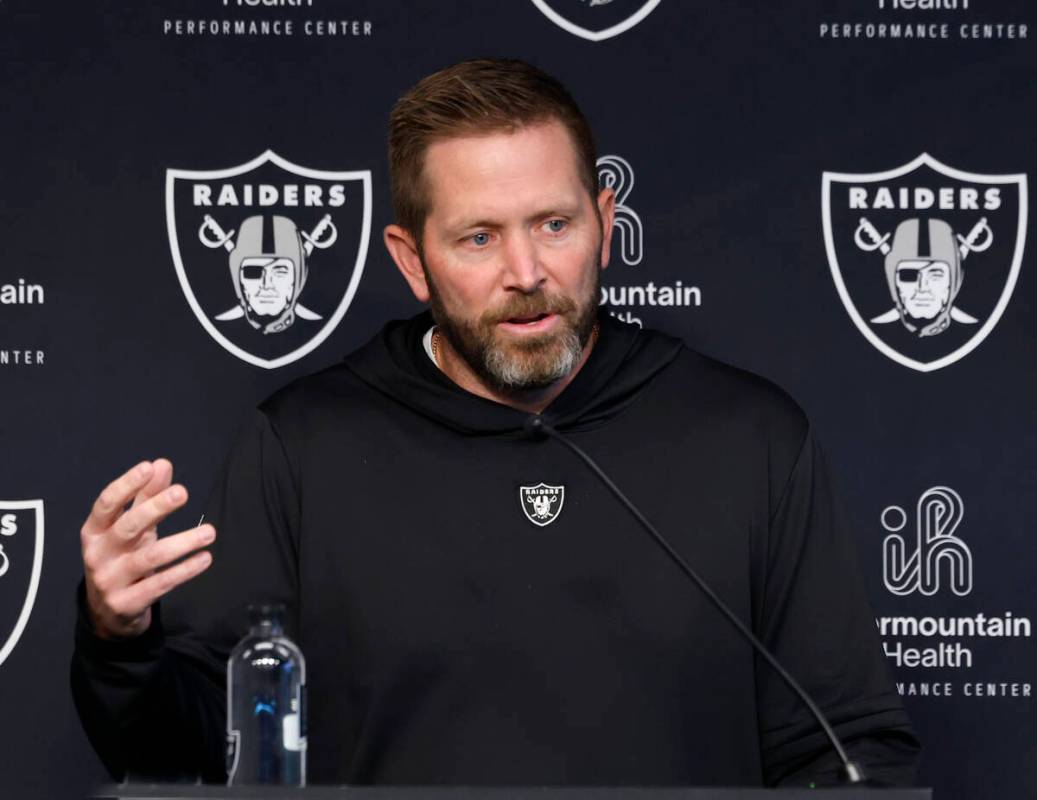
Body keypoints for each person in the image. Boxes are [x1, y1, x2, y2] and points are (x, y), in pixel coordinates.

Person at [72, 58, 920, 787]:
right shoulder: (302, 443)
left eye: (553, 225)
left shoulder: (750, 435)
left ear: (606, 225)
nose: (526, 271)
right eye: (478, 238)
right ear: (411, 260)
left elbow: (844, 748)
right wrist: (120, 638)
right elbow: (194, 757)